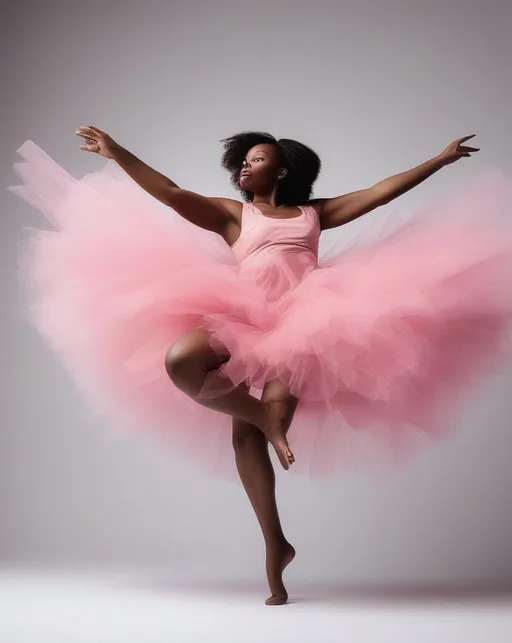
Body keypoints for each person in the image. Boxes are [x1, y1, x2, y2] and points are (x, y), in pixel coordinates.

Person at [8, 129, 512, 606]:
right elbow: (168, 190)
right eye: (243, 161)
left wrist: (439, 160)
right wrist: (117, 152)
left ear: (283, 170)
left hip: (304, 327)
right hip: (242, 318)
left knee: (246, 439)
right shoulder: (233, 216)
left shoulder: (316, 213)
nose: (245, 166)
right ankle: (267, 438)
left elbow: (380, 191)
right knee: (182, 361)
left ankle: (275, 544)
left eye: (258, 158)